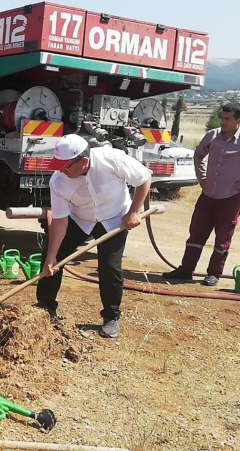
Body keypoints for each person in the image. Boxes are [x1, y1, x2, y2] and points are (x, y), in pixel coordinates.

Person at [36, 133, 151, 338]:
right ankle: (45, 308)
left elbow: (143, 179)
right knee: (52, 256)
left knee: (109, 266)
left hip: (114, 219)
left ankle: (111, 316)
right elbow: (61, 221)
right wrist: (52, 256)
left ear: (84, 161)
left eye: (65, 165)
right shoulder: (58, 181)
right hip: (81, 219)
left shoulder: (112, 159)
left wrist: (134, 210)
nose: (61, 169)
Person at [163, 102, 240, 287]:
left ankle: (214, 273)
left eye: (227, 119)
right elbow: (198, 155)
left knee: (223, 237)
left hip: (231, 196)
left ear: (239, 120)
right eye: (221, 118)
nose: (223, 122)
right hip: (208, 195)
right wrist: (202, 177)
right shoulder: (212, 136)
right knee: (196, 233)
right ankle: (185, 270)